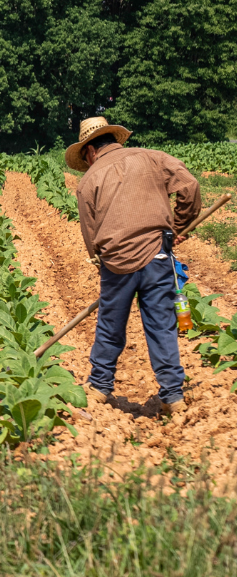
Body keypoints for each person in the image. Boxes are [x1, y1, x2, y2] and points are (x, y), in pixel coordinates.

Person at [68, 117, 201, 415]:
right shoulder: (152, 158)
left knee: (110, 327)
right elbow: (189, 186)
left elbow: (91, 236)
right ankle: (173, 395)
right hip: (157, 256)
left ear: (89, 150)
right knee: (161, 326)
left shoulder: (89, 181)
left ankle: (100, 387)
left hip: (117, 262)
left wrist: (101, 262)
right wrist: (178, 227)